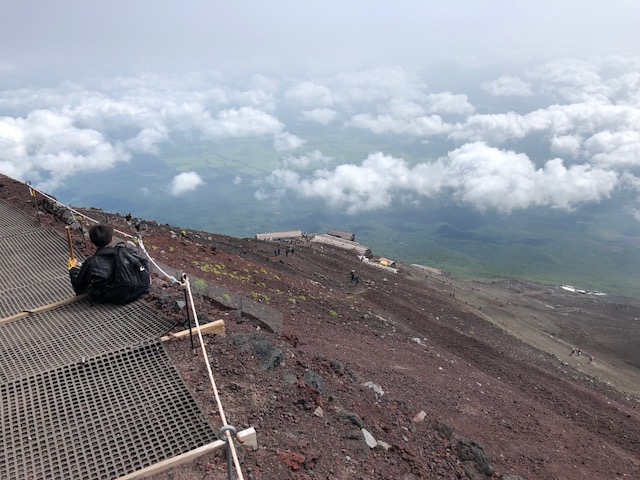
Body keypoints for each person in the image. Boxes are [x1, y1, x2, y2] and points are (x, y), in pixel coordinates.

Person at [68, 223, 115, 296]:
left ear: (91, 241)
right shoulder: (122, 253)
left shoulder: (91, 262)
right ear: (111, 240)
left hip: (106, 297)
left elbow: (77, 283)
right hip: (122, 291)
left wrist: (73, 269)